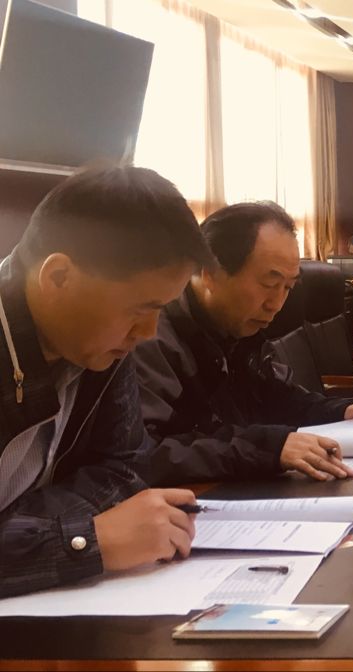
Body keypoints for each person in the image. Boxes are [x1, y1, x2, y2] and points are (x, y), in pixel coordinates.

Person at [0, 166, 215, 598]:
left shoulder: (96, 346)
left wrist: (23, 530)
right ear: (58, 277)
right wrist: (84, 540)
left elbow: (125, 466)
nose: (149, 332)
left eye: (161, 310)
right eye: (140, 310)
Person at [134, 202, 353, 486]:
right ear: (211, 272)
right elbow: (146, 454)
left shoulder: (241, 329)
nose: (277, 304)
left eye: (287, 287)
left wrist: (337, 411)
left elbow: (275, 398)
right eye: (269, 284)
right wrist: (266, 448)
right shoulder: (149, 337)